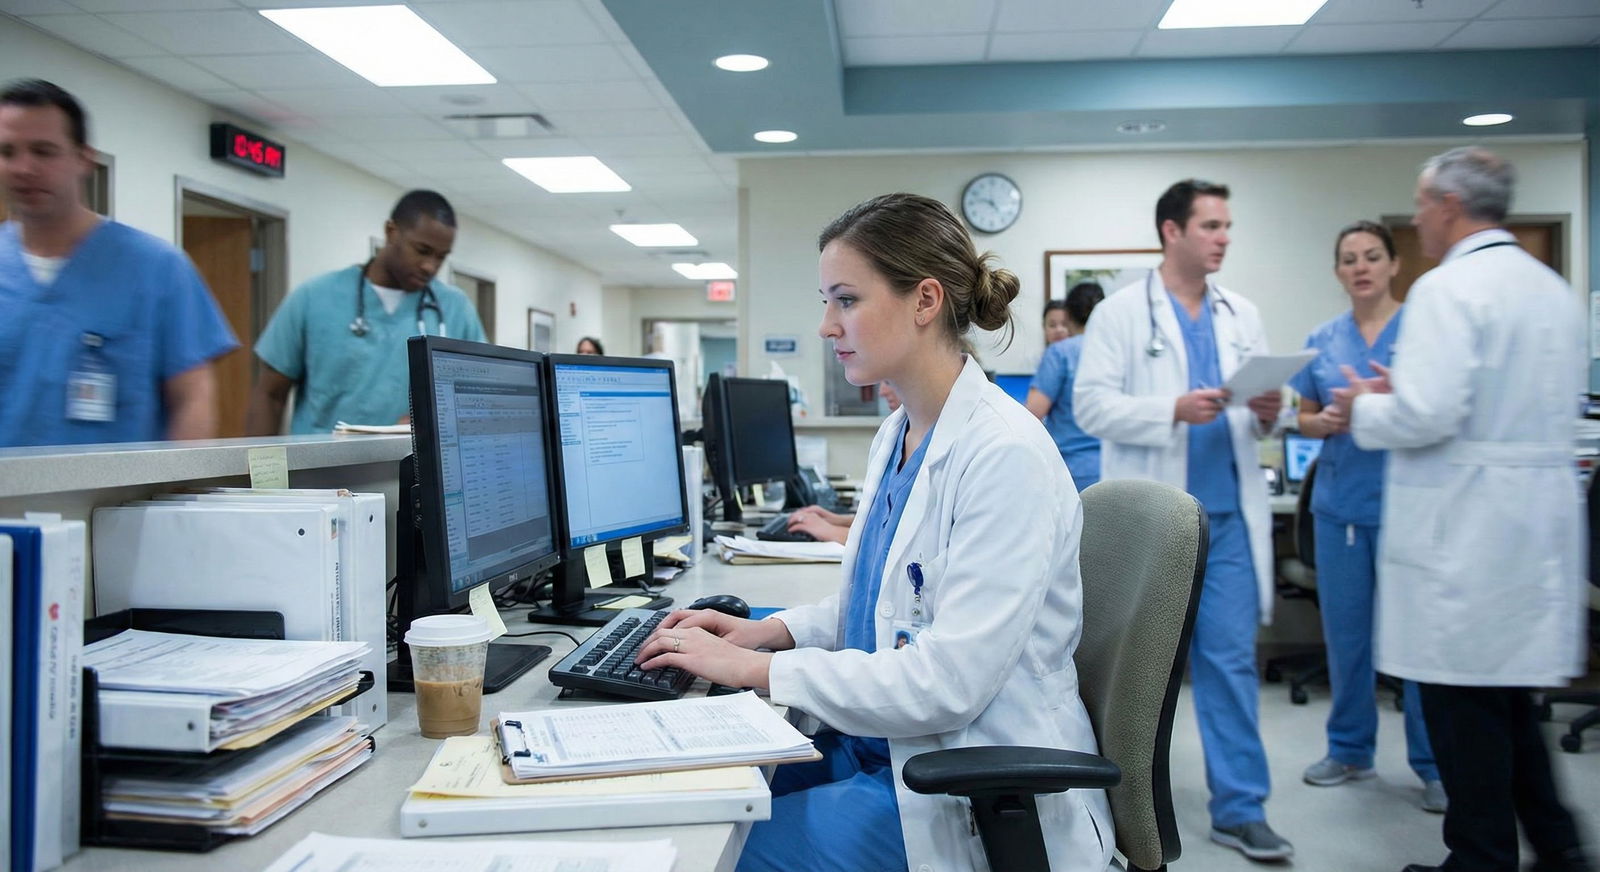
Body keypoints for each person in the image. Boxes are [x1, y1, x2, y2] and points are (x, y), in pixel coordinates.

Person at [635, 193, 1111, 872]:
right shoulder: (902, 431)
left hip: (953, 785)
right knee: (688, 800)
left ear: (924, 301)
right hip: (879, 744)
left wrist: (759, 670)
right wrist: (773, 632)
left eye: (846, 300)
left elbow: (948, 681)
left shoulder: (1004, 454)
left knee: (703, 855)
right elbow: (890, 606)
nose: (828, 326)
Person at [1332, 147, 1591, 872]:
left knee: (1465, 710)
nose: (1418, 218)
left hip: (1468, 541)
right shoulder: (1549, 289)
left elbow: (1427, 415)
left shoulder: (1451, 289)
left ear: (1448, 205)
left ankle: (1478, 858)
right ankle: (1561, 846)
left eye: (1421, 205)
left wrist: (1366, 406)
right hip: (1530, 529)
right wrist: (1405, 391)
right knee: (1509, 703)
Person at [1074, 179, 1292, 861]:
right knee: (1131, 673)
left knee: (1228, 663)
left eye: (1228, 226)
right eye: (1211, 226)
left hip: (1225, 519)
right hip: (1157, 531)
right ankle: (1108, 807)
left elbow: (1273, 409)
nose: (1224, 237)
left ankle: (1241, 807)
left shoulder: (1240, 313)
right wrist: (1169, 408)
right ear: (1172, 231)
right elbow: (1091, 407)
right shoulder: (1119, 313)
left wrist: (1271, 411)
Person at [1286, 220, 1444, 813]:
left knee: (1420, 646)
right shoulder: (1322, 339)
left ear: (1393, 263)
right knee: (1348, 639)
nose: (1361, 267)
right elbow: (1302, 416)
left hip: (1412, 509)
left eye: (1372, 256)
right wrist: (1320, 424)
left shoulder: (1424, 331)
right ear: (1338, 271)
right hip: (1342, 509)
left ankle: (1433, 765)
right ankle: (1350, 749)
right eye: (1349, 258)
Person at [0, 79, 236, 447]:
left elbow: (192, 398)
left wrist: (177, 492)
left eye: (43, 151)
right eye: (7, 152)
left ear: (84, 159)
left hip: (116, 502)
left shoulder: (156, 268)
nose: (23, 168)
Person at [244, 190, 486, 435]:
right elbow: (270, 395)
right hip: (325, 467)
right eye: (422, 250)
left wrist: (437, 417)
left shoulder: (455, 308)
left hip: (417, 468)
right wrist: (258, 472)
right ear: (391, 231)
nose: (430, 266)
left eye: (441, 257)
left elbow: (480, 396)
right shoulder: (314, 297)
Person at [785, 382, 901, 544]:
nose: (881, 392)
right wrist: (840, 521)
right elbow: (890, 522)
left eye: (888, 381)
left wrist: (830, 531)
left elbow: (902, 542)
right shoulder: (899, 429)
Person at [1027, 281, 1105, 489]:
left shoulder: (1061, 353)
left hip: (1073, 468)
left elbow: (1034, 412)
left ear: (1069, 316)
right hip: (1115, 466)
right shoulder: (1114, 351)